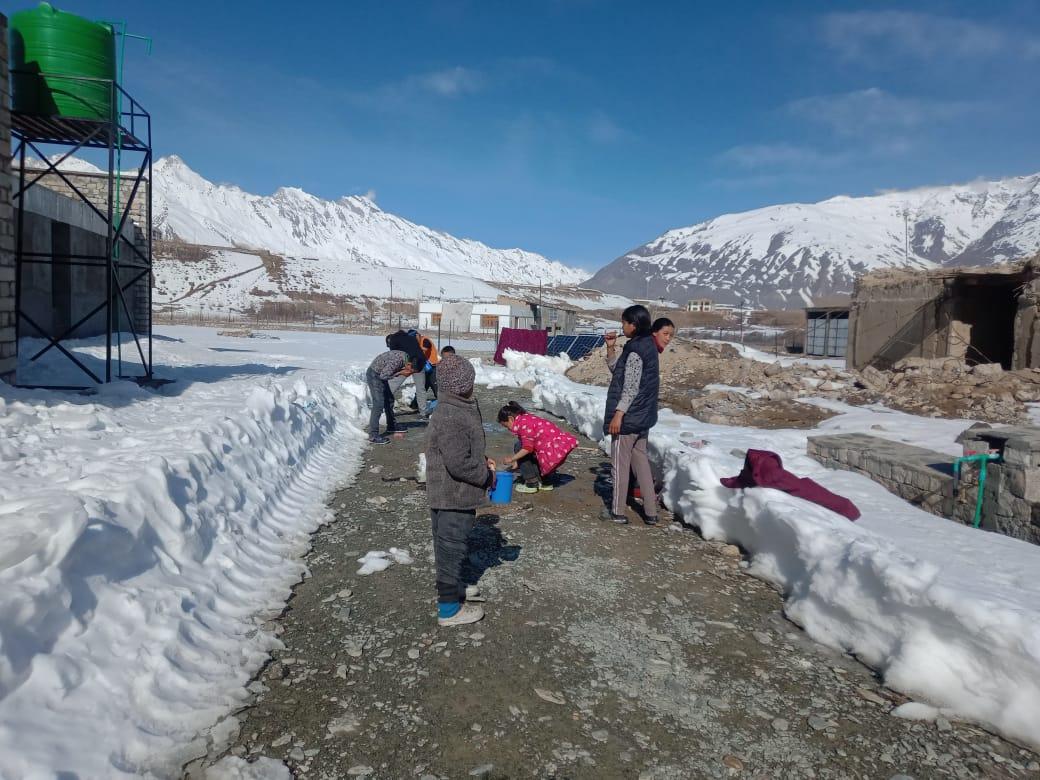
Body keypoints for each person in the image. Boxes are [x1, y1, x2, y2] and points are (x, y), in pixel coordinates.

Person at [424, 354, 496, 626]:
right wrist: (486, 476)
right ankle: (449, 610)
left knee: (448, 546)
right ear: (463, 385)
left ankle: (452, 589)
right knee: (450, 548)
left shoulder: (456, 406)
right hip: (453, 493)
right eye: (471, 381)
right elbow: (457, 463)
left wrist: (482, 459)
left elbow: (462, 451)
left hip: (449, 492)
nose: (473, 385)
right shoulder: (452, 414)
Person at [602, 305, 660, 525]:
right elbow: (619, 371)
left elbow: (630, 387)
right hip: (643, 416)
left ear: (634, 325)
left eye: (625, 323)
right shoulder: (646, 346)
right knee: (641, 463)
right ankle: (651, 512)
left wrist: (618, 415)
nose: (622, 327)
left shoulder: (636, 350)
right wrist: (610, 348)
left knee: (620, 464)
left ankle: (617, 510)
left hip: (629, 417)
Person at [497, 401, 578, 493]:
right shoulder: (526, 418)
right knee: (532, 449)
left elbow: (527, 448)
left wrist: (512, 458)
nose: (508, 429)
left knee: (519, 447)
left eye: (506, 426)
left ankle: (531, 483)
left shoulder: (523, 425)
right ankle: (546, 483)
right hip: (556, 447)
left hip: (550, 450)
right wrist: (517, 463)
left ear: (511, 419)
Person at [366, 349, 415, 444]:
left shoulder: (406, 358)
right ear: (408, 365)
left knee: (389, 400)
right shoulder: (397, 361)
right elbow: (384, 376)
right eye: (411, 371)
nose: (410, 374)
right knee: (378, 404)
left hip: (380, 373)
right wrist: (400, 373)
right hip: (374, 375)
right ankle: (373, 435)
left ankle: (391, 426)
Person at [386, 329, 431, 420]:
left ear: (389, 341)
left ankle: (384, 408)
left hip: (408, 364)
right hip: (420, 363)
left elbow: (395, 356)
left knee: (392, 385)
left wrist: (395, 372)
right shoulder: (411, 337)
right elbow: (416, 351)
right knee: (420, 388)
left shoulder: (394, 340)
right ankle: (423, 412)